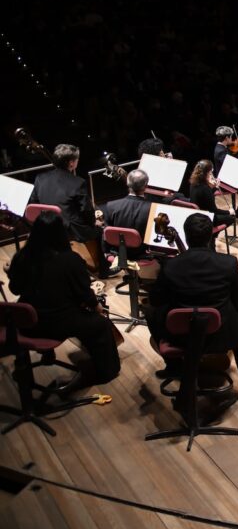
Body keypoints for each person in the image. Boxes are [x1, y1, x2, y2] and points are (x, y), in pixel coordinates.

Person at [148, 214, 238, 401]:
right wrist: (237, 318)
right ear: (211, 236)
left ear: (186, 237)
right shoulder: (228, 263)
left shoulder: (170, 266)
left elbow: (155, 299)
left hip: (180, 335)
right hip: (220, 333)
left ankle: (174, 365)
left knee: (151, 313)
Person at [6, 211, 121, 390]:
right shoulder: (70, 260)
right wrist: (97, 307)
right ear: (60, 233)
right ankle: (104, 373)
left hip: (27, 322)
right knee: (100, 325)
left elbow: (14, 289)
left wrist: (11, 273)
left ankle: (48, 354)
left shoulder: (22, 257)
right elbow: (83, 294)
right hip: (57, 323)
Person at [29, 143, 110, 276]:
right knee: (100, 230)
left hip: (47, 225)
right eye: (77, 160)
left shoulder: (40, 178)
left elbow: (34, 203)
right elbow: (86, 211)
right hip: (69, 229)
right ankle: (104, 270)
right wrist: (94, 223)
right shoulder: (78, 183)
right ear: (71, 163)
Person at [102, 169, 155, 260]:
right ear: (146, 186)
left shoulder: (111, 206)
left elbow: (106, 233)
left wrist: (107, 253)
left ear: (127, 183)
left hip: (119, 254)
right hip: (142, 254)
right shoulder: (152, 208)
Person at [188, 160, 234, 228]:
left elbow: (204, 197)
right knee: (231, 218)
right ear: (207, 173)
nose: (212, 174)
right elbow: (214, 211)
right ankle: (213, 236)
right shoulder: (205, 189)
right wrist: (229, 212)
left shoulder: (193, 183)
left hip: (196, 216)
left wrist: (214, 187)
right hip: (206, 219)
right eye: (211, 172)